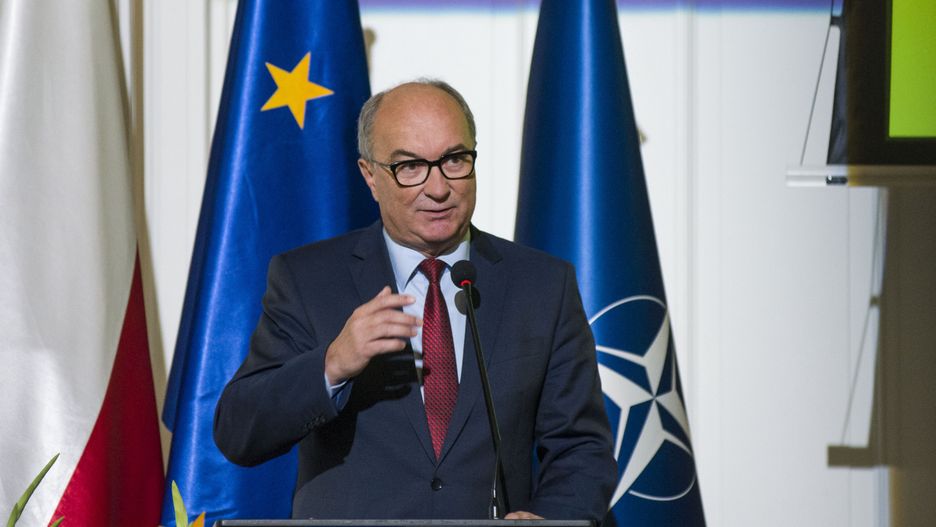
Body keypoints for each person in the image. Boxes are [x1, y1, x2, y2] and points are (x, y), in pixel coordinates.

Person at [214, 80, 616, 522]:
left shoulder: (542, 285)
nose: (438, 188)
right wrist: (332, 365)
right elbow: (239, 432)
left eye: (454, 159)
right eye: (410, 167)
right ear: (370, 176)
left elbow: (581, 446)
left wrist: (554, 520)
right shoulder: (308, 279)